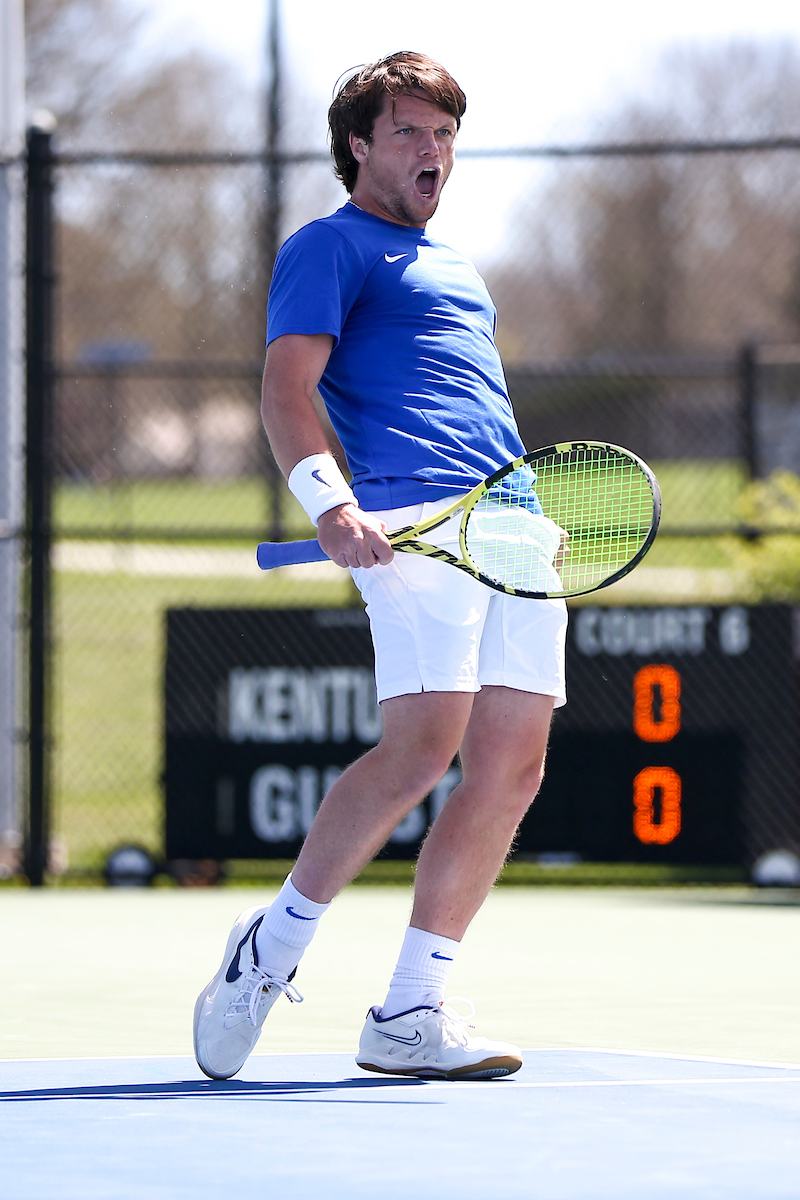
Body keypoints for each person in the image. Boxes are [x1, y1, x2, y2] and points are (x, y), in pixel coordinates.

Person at [194, 51, 567, 1082]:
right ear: (357, 146)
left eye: (443, 133)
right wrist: (331, 505)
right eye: (407, 132)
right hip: (408, 519)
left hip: (511, 527)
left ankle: (410, 1009)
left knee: (509, 767)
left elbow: (466, 403)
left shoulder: (459, 266)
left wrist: (528, 518)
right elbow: (285, 390)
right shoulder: (326, 246)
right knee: (419, 749)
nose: (431, 151)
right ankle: (270, 948)